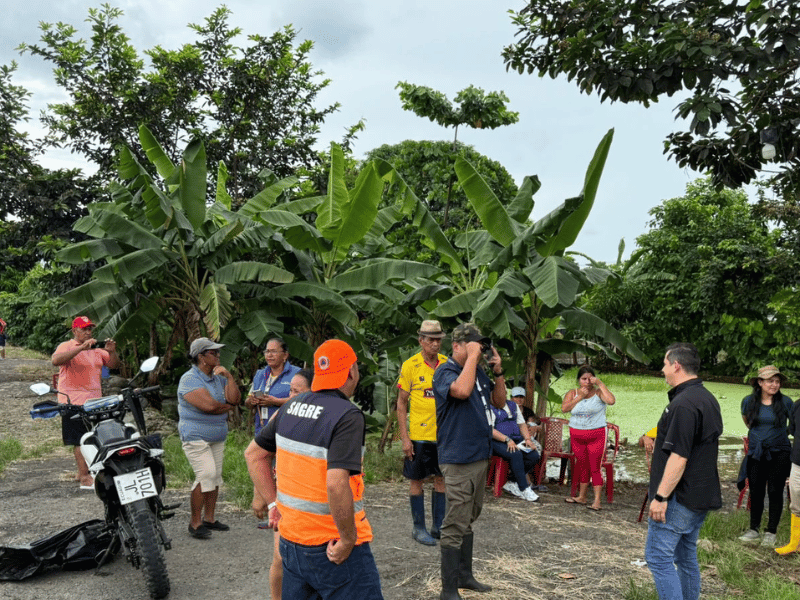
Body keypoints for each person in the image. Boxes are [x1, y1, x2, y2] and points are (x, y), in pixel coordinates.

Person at [244, 339, 383, 600]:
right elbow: (336, 483)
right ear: (351, 372)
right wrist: (347, 539)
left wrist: (273, 505)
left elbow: (254, 454)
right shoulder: (347, 415)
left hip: (291, 541)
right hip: (329, 545)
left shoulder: (289, 407)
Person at [432, 322, 507, 599]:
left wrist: (498, 371)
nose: (478, 349)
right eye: (472, 344)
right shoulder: (446, 371)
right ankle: (448, 590)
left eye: (480, 345)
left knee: (469, 518)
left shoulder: (478, 373)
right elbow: (460, 392)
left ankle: (465, 576)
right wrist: (474, 358)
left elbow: (499, 402)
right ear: (456, 346)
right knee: (454, 523)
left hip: (478, 456)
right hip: (458, 459)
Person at [646, 342, 722, 600]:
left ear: (676, 365)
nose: (663, 369)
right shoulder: (707, 398)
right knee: (685, 556)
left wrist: (660, 497)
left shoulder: (684, 404)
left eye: (665, 364)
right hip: (701, 493)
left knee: (658, 558)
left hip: (680, 497)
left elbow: (679, 457)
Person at [178, 337, 241, 539]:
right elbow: (210, 406)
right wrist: (228, 407)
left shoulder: (218, 377)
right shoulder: (190, 379)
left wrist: (229, 377)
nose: (218, 355)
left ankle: (210, 518)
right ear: (201, 357)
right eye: (213, 353)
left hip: (217, 434)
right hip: (195, 435)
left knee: (215, 477)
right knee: (206, 475)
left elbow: (235, 399)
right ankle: (194, 523)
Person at [259, 368, 313, 600]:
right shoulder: (279, 417)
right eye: (290, 390)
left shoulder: (324, 420)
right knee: (280, 557)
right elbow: (261, 455)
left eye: (297, 391)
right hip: (285, 498)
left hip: (313, 499)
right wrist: (263, 497)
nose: (290, 396)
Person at [51, 316, 120, 488]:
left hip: (95, 401)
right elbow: (55, 360)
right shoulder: (66, 346)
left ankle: (90, 470)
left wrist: (111, 351)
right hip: (72, 400)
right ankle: (83, 475)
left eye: (90, 329)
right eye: (84, 329)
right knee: (79, 439)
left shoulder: (96, 348)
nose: (88, 332)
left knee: (96, 436)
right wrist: (81, 348)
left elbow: (113, 365)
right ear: (75, 331)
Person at [396, 319, 448, 546]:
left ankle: (438, 526)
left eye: (438, 340)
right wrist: (405, 438)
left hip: (443, 436)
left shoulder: (447, 364)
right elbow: (401, 404)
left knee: (441, 480)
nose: (435, 344)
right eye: (430, 340)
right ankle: (419, 528)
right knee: (416, 480)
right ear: (421, 341)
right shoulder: (411, 365)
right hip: (418, 436)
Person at [737, 365, 792, 547]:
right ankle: (754, 529)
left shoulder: (786, 402)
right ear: (760, 382)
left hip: (780, 452)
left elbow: (792, 426)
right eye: (770, 381)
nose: (774, 385)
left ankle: (771, 532)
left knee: (775, 491)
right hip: (757, 453)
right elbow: (748, 422)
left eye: (777, 381)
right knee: (756, 490)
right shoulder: (748, 401)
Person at [561, 366, 615, 511]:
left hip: (596, 434)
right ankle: (582, 496)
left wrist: (600, 384)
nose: (587, 382)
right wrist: (580, 397)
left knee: (595, 467)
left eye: (590, 379)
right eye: (584, 379)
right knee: (582, 465)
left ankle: (597, 501)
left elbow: (611, 401)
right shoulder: (573, 393)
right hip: (577, 434)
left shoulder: (598, 393)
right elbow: (564, 409)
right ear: (579, 380)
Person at [244, 337, 300, 434]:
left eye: (274, 351)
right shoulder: (260, 375)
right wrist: (252, 401)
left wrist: (276, 401)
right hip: (262, 431)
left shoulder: (297, 374)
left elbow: (303, 401)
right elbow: (247, 403)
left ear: (285, 355)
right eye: (267, 351)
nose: (269, 355)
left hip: (287, 431)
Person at [490, 397, 540, 502]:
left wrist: (528, 439)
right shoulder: (490, 406)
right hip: (497, 441)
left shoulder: (513, 405)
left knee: (533, 455)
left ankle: (512, 482)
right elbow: (490, 430)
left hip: (516, 439)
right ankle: (524, 488)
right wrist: (507, 439)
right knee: (515, 453)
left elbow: (522, 424)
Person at [776, 394, 800, 555]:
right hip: (798, 461)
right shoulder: (797, 405)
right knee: (796, 501)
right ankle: (795, 543)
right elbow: (792, 429)